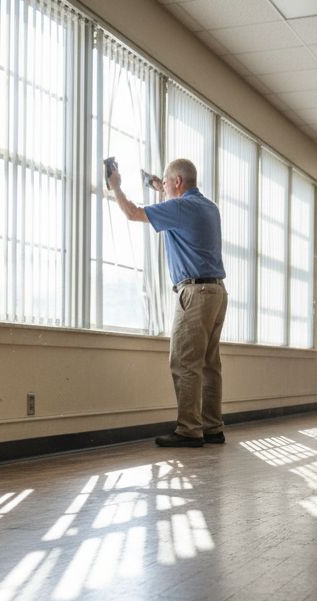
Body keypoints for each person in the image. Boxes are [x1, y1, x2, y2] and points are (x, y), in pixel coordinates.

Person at [110, 158, 226, 447]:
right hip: (217, 293)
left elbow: (133, 213)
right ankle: (213, 428)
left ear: (177, 182)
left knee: (184, 361)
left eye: (166, 182)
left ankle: (189, 430)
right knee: (210, 364)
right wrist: (160, 186)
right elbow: (176, 201)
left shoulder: (181, 208)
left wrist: (116, 187)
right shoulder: (209, 208)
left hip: (195, 294)